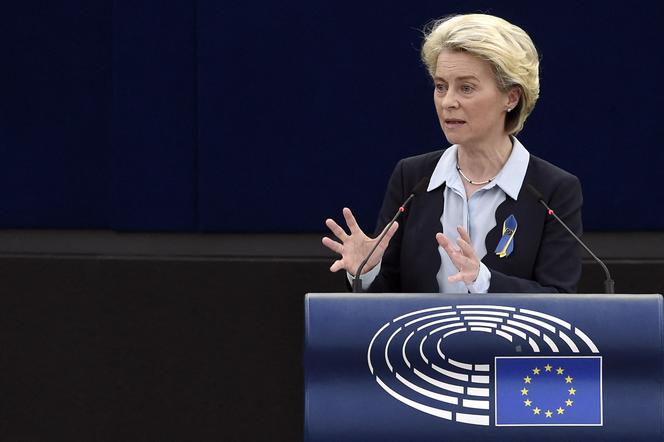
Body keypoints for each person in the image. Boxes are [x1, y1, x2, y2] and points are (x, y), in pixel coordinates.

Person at [322, 13, 583, 294]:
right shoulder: (412, 178)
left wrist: (484, 281)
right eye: (441, 86)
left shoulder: (552, 190)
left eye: (466, 88)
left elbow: (559, 300)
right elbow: (387, 299)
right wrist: (368, 271)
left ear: (511, 97)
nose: (448, 102)